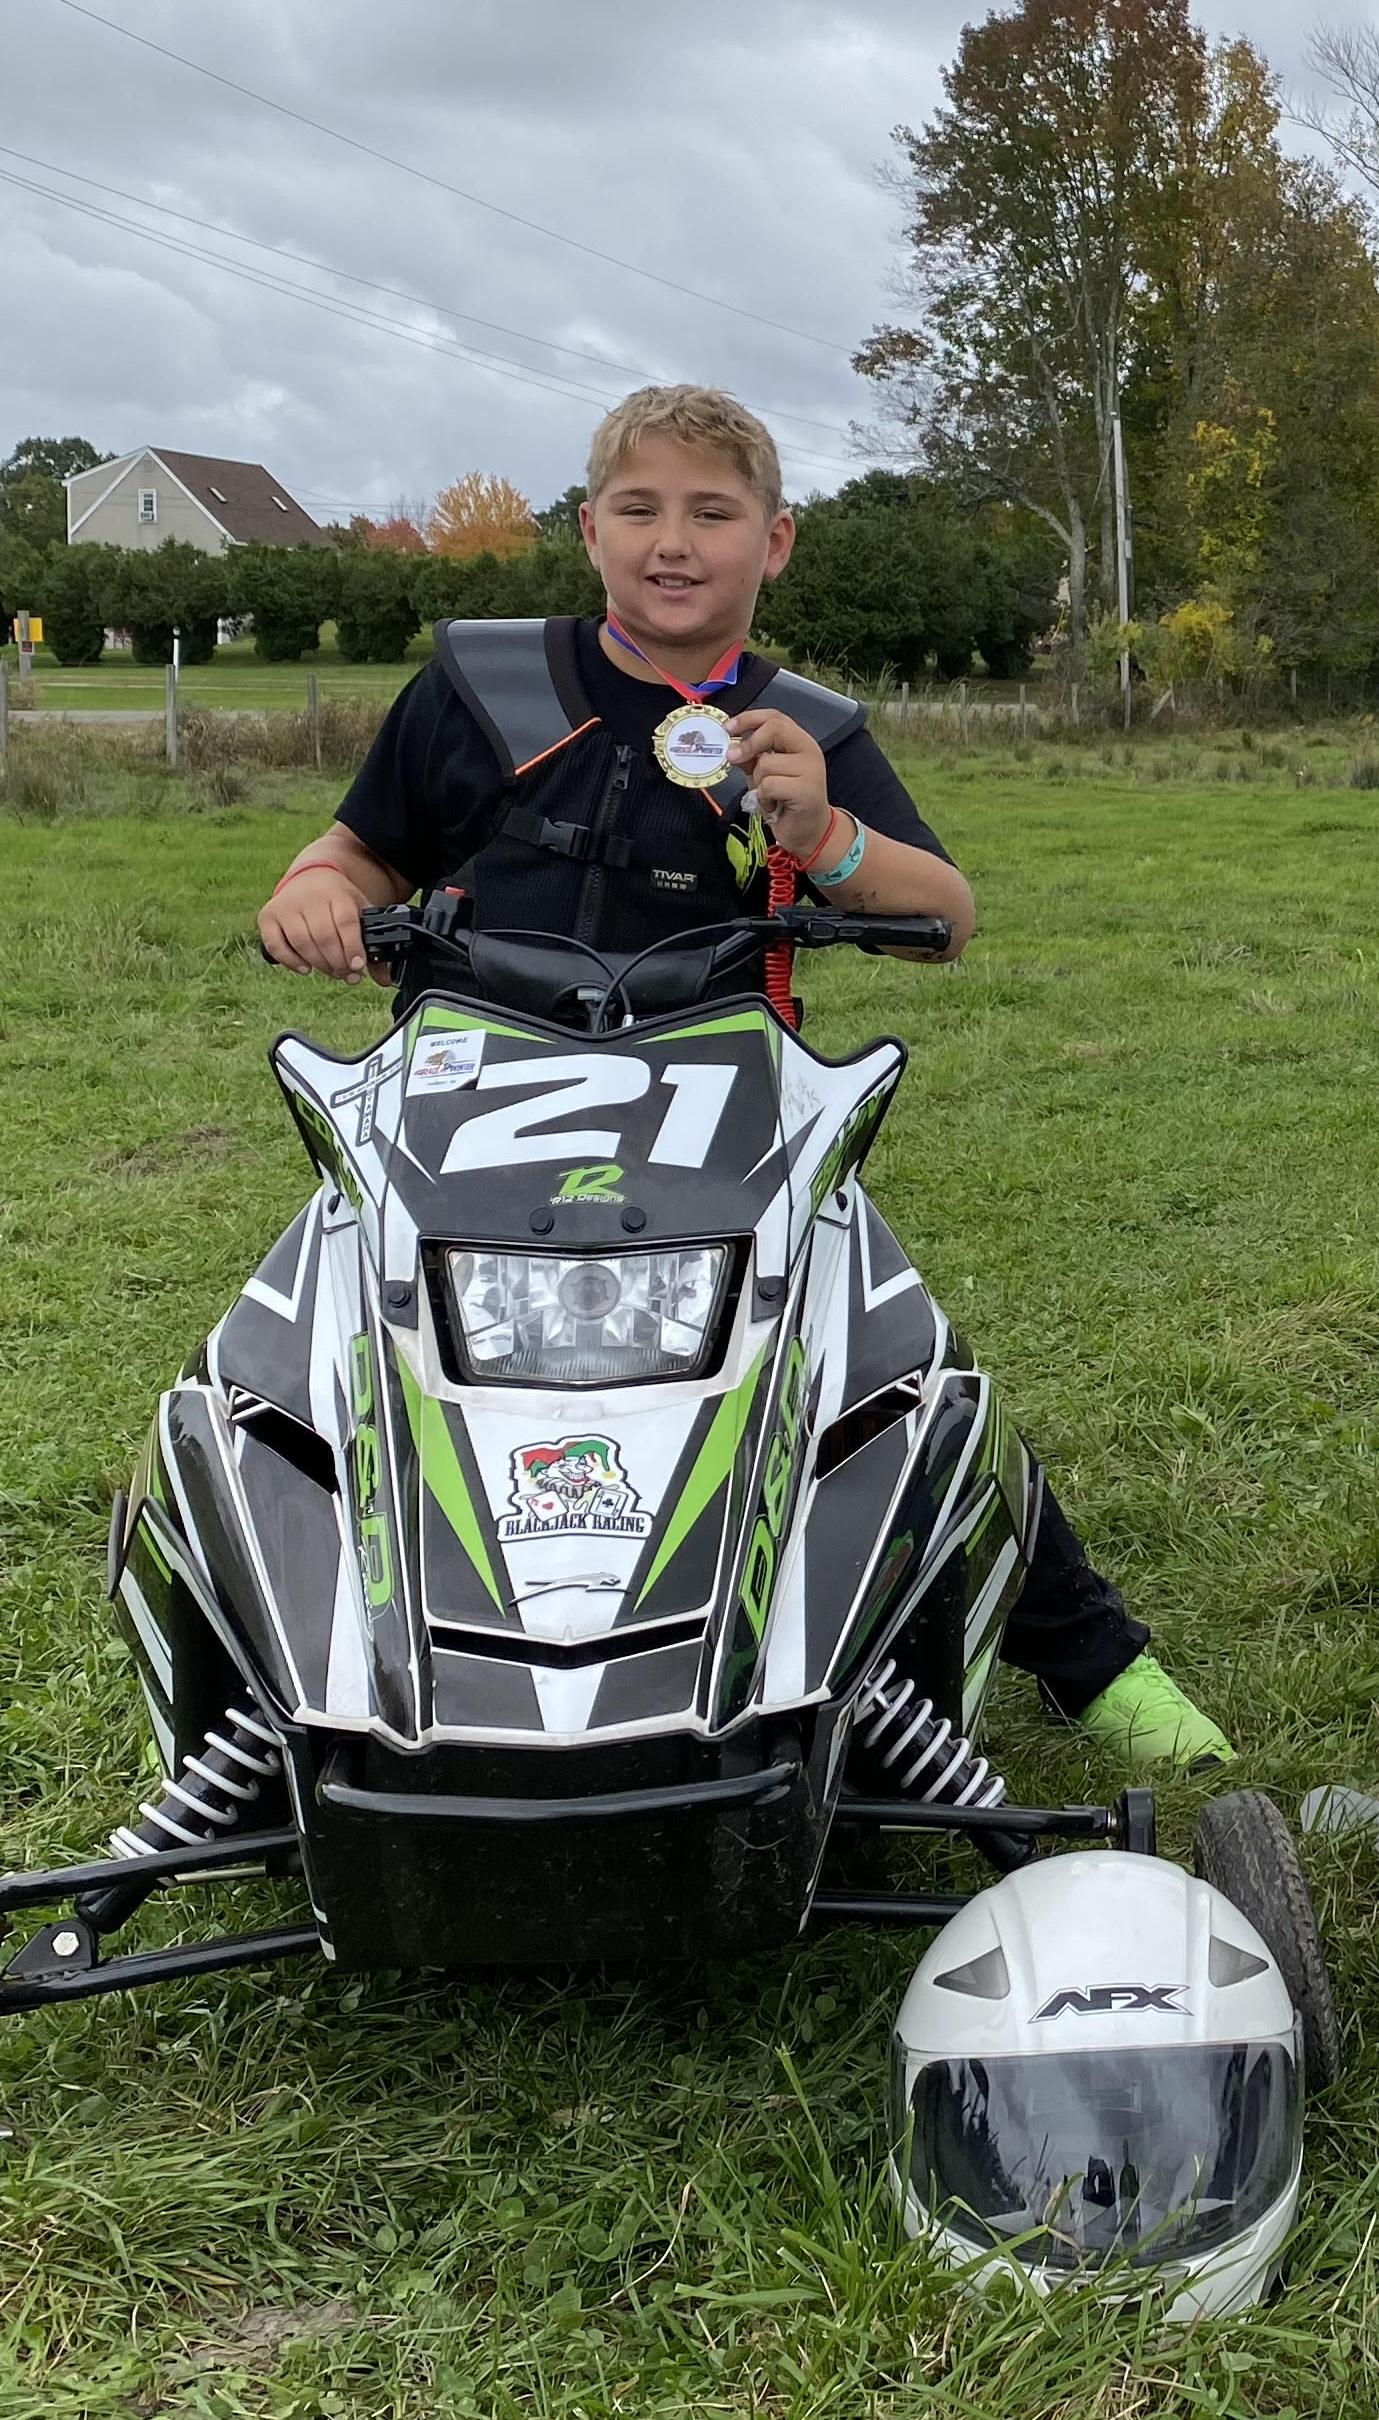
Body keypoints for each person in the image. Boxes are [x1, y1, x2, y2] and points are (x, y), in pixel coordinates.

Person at [257, 381, 1231, 1772]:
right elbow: (357, 852)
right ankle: (288, 1666)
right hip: (461, 1089)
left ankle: (1100, 1663)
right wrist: (309, 891)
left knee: (901, 1354)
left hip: (718, 1103)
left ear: (774, 543)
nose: (675, 542)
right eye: (641, 510)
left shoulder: (800, 726)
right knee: (305, 1357)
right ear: (588, 532)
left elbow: (943, 916)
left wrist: (826, 835)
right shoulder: (477, 686)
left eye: (713, 513)